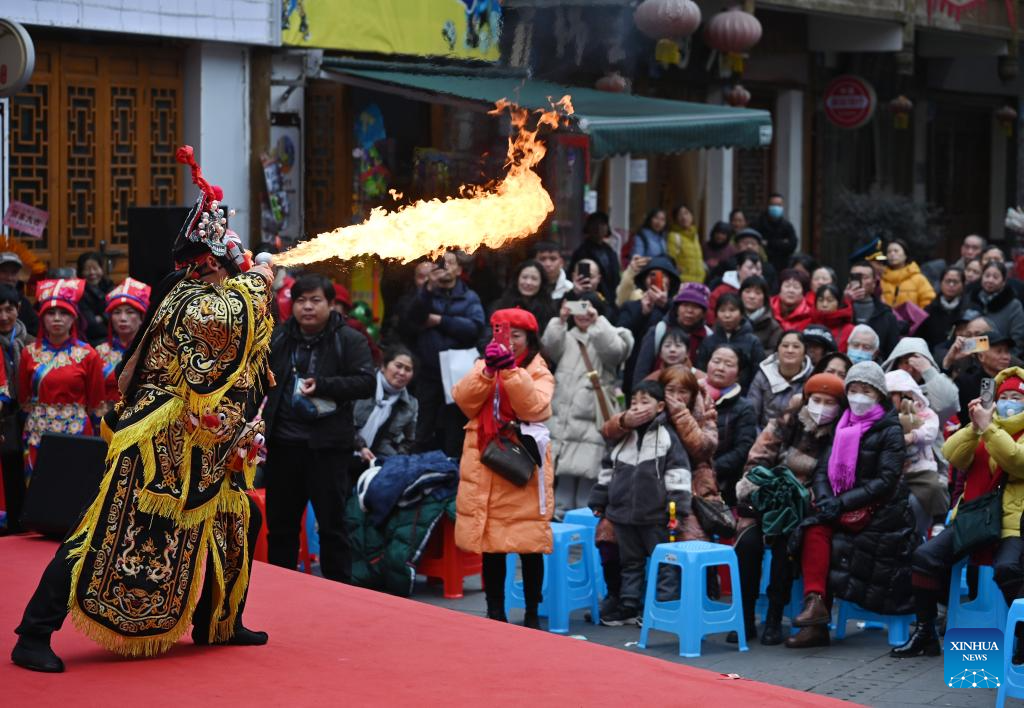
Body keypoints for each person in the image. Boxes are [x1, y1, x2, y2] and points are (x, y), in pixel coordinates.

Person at [11, 148, 275, 672]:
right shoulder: (188, 296)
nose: (236, 270)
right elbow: (216, 337)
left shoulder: (222, 292)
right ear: (210, 262)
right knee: (103, 530)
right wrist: (258, 284)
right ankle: (34, 632)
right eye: (230, 264)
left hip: (214, 441)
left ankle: (219, 620)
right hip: (161, 439)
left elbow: (247, 355)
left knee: (238, 516)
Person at [892, 367, 1024, 659]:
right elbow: (953, 455)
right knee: (925, 558)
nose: (1010, 402)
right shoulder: (984, 425)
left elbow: (1016, 461)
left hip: (1013, 524)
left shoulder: (999, 429)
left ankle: (1020, 638)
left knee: (1008, 569)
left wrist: (988, 428)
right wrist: (975, 427)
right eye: (1005, 397)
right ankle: (926, 633)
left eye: (1017, 397)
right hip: (974, 518)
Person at [786, 361, 918, 649]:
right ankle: (816, 610)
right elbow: (823, 469)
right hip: (840, 506)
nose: (859, 397)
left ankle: (816, 616)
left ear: (879, 395)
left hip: (880, 514)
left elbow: (885, 480)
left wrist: (841, 502)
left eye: (866, 391)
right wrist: (826, 500)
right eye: (854, 390)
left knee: (833, 538)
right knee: (812, 530)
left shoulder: (889, 429)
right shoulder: (843, 422)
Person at [264, 273, 376, 583]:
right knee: (281, 527)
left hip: (327, 448)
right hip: (284, 447)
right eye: (301, 300)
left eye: (315, 300)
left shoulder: (349, 339)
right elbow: (260, 383)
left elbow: (367, 383)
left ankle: (338, 593)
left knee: (332, 527)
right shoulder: (280, 338)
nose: (307, 307)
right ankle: (282, 587)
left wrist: (324, 385)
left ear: (331, 304)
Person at [453, 308, 554, 628]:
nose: (509, 341)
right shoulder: (482, 364)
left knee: (529, 543)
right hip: (486, 461)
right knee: (491, 545)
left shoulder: (539, 370)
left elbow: (535, 407)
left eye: (516, 336)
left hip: (521, 460)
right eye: (504, 334)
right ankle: (494, 611)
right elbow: (464, 401)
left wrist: (510, 371)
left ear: (530, 339)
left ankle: (532, 614)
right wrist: (486, 373)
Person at [734, 373, 846, 645]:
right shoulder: (785, 422)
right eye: (816, 400)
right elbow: (756, 461)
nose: (821, 406)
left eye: (828, 401)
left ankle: (773, 618)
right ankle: (745, 618)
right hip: (768, 502)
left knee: (787, 548)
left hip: (805, 509)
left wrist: (803, 498)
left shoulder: (840, 435)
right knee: (747, 546)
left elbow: (833, 481)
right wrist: (763, 490)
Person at [589, 380, 691, 626]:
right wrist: (600, 500)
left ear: (660, 407)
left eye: (645, 402)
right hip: (622, 514)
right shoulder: (623, 437)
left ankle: (663, 607)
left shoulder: (667, 437)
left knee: (664, 562)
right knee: (630, 562)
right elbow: (607, 470)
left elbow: (678, 474)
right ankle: (628, 605)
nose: (638, 407)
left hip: (655, 515)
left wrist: (676, 507)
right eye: (634, 402)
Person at [542, 294, 633, 518]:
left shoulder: (614, 333)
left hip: (592, 424)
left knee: (586, 492)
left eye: (588, 308)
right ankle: (561, 543)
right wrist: (560, 320)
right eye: (578, 307)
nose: (582, 314)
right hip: (563, 421)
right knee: (561, 490)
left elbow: (615, 353)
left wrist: (597, 322)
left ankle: (582, 544)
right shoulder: (567, 335)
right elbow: (548, 347)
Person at [397, 255, 486, 456]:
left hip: (458, 374)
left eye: (450, 263)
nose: (444, 268)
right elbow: (411, 320)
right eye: (440, 264)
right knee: (423, 427)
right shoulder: (424, 294)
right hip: (428, 372)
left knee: (455, 428)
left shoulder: (469, 297)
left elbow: (475, 327)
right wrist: (428, 289)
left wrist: (440, 320)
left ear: (459, 270)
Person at [18, 279, 105, 477]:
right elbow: (23, 399)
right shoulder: (28, 353)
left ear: (74, 318)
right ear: (42, 318)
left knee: (74, 491)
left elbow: (95, 402)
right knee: (38, 493)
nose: (57, 318)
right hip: (37, 432)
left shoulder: (88, 354)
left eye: (64, 313)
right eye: (50, 313)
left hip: (78, 431)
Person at [884, 370, 948, 538]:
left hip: (921, 467)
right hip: (894, 470)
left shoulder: (923, 412)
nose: (889, 400)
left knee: (934, 486)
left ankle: (939, 519)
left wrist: (913, 436)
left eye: (893, 395)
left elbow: (931, 430)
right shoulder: (883, 417)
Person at [616, 255, 680, 393]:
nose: (657, 279)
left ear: (670, 281)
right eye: (652, 275)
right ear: (644, 280)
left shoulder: (676, 307)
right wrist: (642, 313)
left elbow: (683, 329)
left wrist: (665, 305)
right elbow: (620, 335)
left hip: (671, 371)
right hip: (635, 371)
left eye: (663, 276)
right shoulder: (631, 306)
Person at [632, 284, 712, 387]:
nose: (689, 311)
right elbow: (641, 370)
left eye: (696, 306)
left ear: (703, 312)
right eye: (685, 305)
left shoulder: (708, 336)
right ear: (677, 308)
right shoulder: (659, 331)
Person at [706, 345, 757, 505]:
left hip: (724, 482)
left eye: (728, 364)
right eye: (716, 361)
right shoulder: (690, 395)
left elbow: (743, 449)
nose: (720, 368)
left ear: (738, 374)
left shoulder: (744, 407)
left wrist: (711, 470)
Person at [0, 285, 32, 533]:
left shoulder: (31, 343)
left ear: (18, 309)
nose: (3, 316)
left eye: (9, 309)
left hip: (29, 416)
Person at [353, 345, 418, 463]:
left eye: (408, 369)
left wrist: (394, 461)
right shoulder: (362, 385)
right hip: (345, 452)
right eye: (398, 366)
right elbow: (343, 422)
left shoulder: (411, 404)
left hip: (380, 463)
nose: (402, 373)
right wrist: (360, 447)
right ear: (383, 366)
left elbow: (409, 441)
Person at [94, 278, 150, 406]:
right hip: (107, 419)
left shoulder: (152, 350)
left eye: (130, 312)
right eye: (117, 313)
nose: (123, 318)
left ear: (141, 318)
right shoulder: (99, 352)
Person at [881, 337, 960, 426]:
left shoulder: (933, 393)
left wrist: (927, 370)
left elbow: (947, 405)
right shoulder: (884, 388)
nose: (910, 369)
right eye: (906, 362)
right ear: (896, 364)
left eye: (916, 363)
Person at [695, 292, 765, 391]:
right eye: (722, 310)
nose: (727, 315)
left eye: (732, 310)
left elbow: (758, 374)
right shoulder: (708, 341)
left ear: (741, 314)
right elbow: (701, 369)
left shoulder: (753, 342)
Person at [748, 330, 813, 430]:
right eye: (785, 346)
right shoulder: (762, 375)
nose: (790, 350)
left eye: (796, 346)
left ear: (805, 353)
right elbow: (752, 416)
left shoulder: (813, 378)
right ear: (777, 351)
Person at [844, 261, 901, 358]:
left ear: (874, 282)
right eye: (855, 277)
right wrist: (844, 302)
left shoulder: (886, 315)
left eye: (865, 277)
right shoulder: (839, 307)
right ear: (849, 280)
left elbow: (892, 353)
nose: (860, 281)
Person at [965, 260, 1024, 351]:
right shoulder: (971, 299)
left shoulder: (1014, 305)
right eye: (987, 276)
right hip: (972, 355)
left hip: (1002, 358)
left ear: (1003, 281)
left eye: (995, 277)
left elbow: (1018, 340)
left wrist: (1003, 357)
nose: (990, 280)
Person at [489, 259, 557, 336]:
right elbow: (488, 335)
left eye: (534, 279)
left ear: (541, 283)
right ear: (517, 279)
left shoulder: (549, 309)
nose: (528, 282)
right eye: (524, 277)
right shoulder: (500, 306)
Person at [572, 212, 621, 305]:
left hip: (611, 298)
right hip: (588, 299)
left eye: (602, 224)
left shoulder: (610, 251)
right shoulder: (582, 252)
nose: (598, 228)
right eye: (595, 224)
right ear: (588, 227)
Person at [918, 266, 965, 352]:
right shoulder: (929, 310)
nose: (951, 285)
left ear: (963, 284)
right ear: (940, 283)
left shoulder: (968, 310)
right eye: (948, 281)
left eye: (955, 282)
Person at [708, 251, 763, 322]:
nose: (754, 272)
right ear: (738, 268)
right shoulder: (722, 290)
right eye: (750, 268)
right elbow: (710, 311)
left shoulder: (764, 291)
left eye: (758, 269)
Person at [880, 240, 936, 309]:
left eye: (896, 251)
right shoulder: (882, 280)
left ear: (905, 255)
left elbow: (928, 302)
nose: (892, 254)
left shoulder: (918, 279)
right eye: (889, 252)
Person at [75, 251, 115, 346]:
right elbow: (91, 323)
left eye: (95, 268)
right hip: (90, 340)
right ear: (81, 272)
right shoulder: (79, 292)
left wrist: (101, 317)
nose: (92, 273)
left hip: (113, 337)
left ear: (101, 269)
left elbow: (115, 313)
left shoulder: (110, 286)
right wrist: (106, 317)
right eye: (87, 269)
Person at [754, 193, 798, 273]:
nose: (776, 208)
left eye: (779, 205)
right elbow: (758, 244)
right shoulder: (757, 223)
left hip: (782, 266)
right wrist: (782, 243)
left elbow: (792, 245)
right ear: (767, 206)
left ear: (782, 207)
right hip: (762, 265)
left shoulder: (787, 226)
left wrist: (769, 243)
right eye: (773, 204)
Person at [0, 252, 39, 336]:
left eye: (13, 273)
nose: (9, 278)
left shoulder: (25, 303)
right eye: (4, 272)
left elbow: (35, 331)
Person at [740, 275, 782, 352]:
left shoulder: (773, 327)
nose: (752, 296)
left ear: (765, 298)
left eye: (758, 293)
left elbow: (774, 352)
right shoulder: (728, 318)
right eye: (747, 291)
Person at [667, 204, 704, 284]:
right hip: (683, 282)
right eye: (680, 215)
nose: (684, 217)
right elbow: (671, 260)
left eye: (686, 213)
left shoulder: (695, 235)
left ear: (692, 216)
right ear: (676, 219)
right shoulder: (674, 236)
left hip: (699, 281)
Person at [810, 284, 853, 352]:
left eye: (830, 300)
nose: (824, 304)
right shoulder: (807, 325)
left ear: (839, 303)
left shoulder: (850, 330)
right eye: (820, 300)